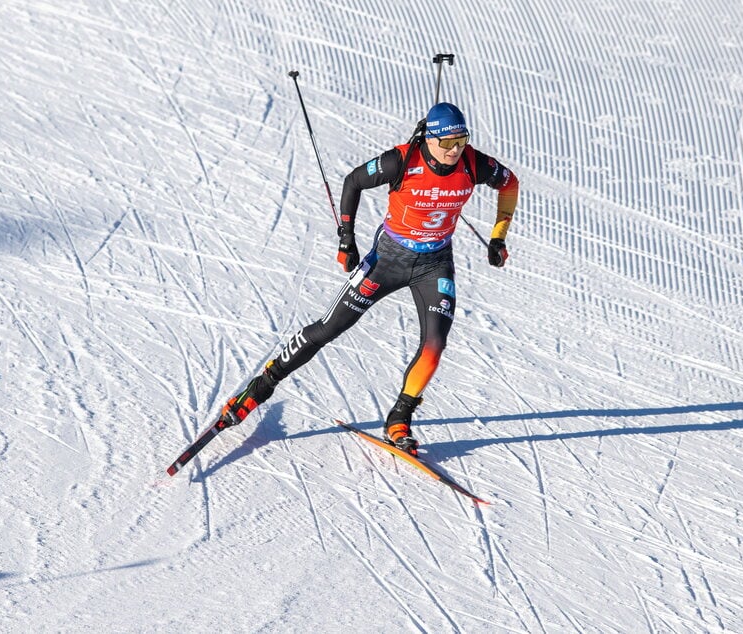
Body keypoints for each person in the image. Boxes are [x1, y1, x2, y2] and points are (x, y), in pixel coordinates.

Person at [218, 102, 519, 455]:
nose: (455, 150)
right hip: (388, 258)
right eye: (448, 143)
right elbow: (354, 181)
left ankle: (399, 419)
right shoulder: (402, 161)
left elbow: (510, 184)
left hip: (434, 264)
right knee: (329, 328)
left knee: (435, 345)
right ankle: (256, 390)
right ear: (430, 138)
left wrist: (499, 236)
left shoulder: (474, 163)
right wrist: (347, 238)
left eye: (461, 140)